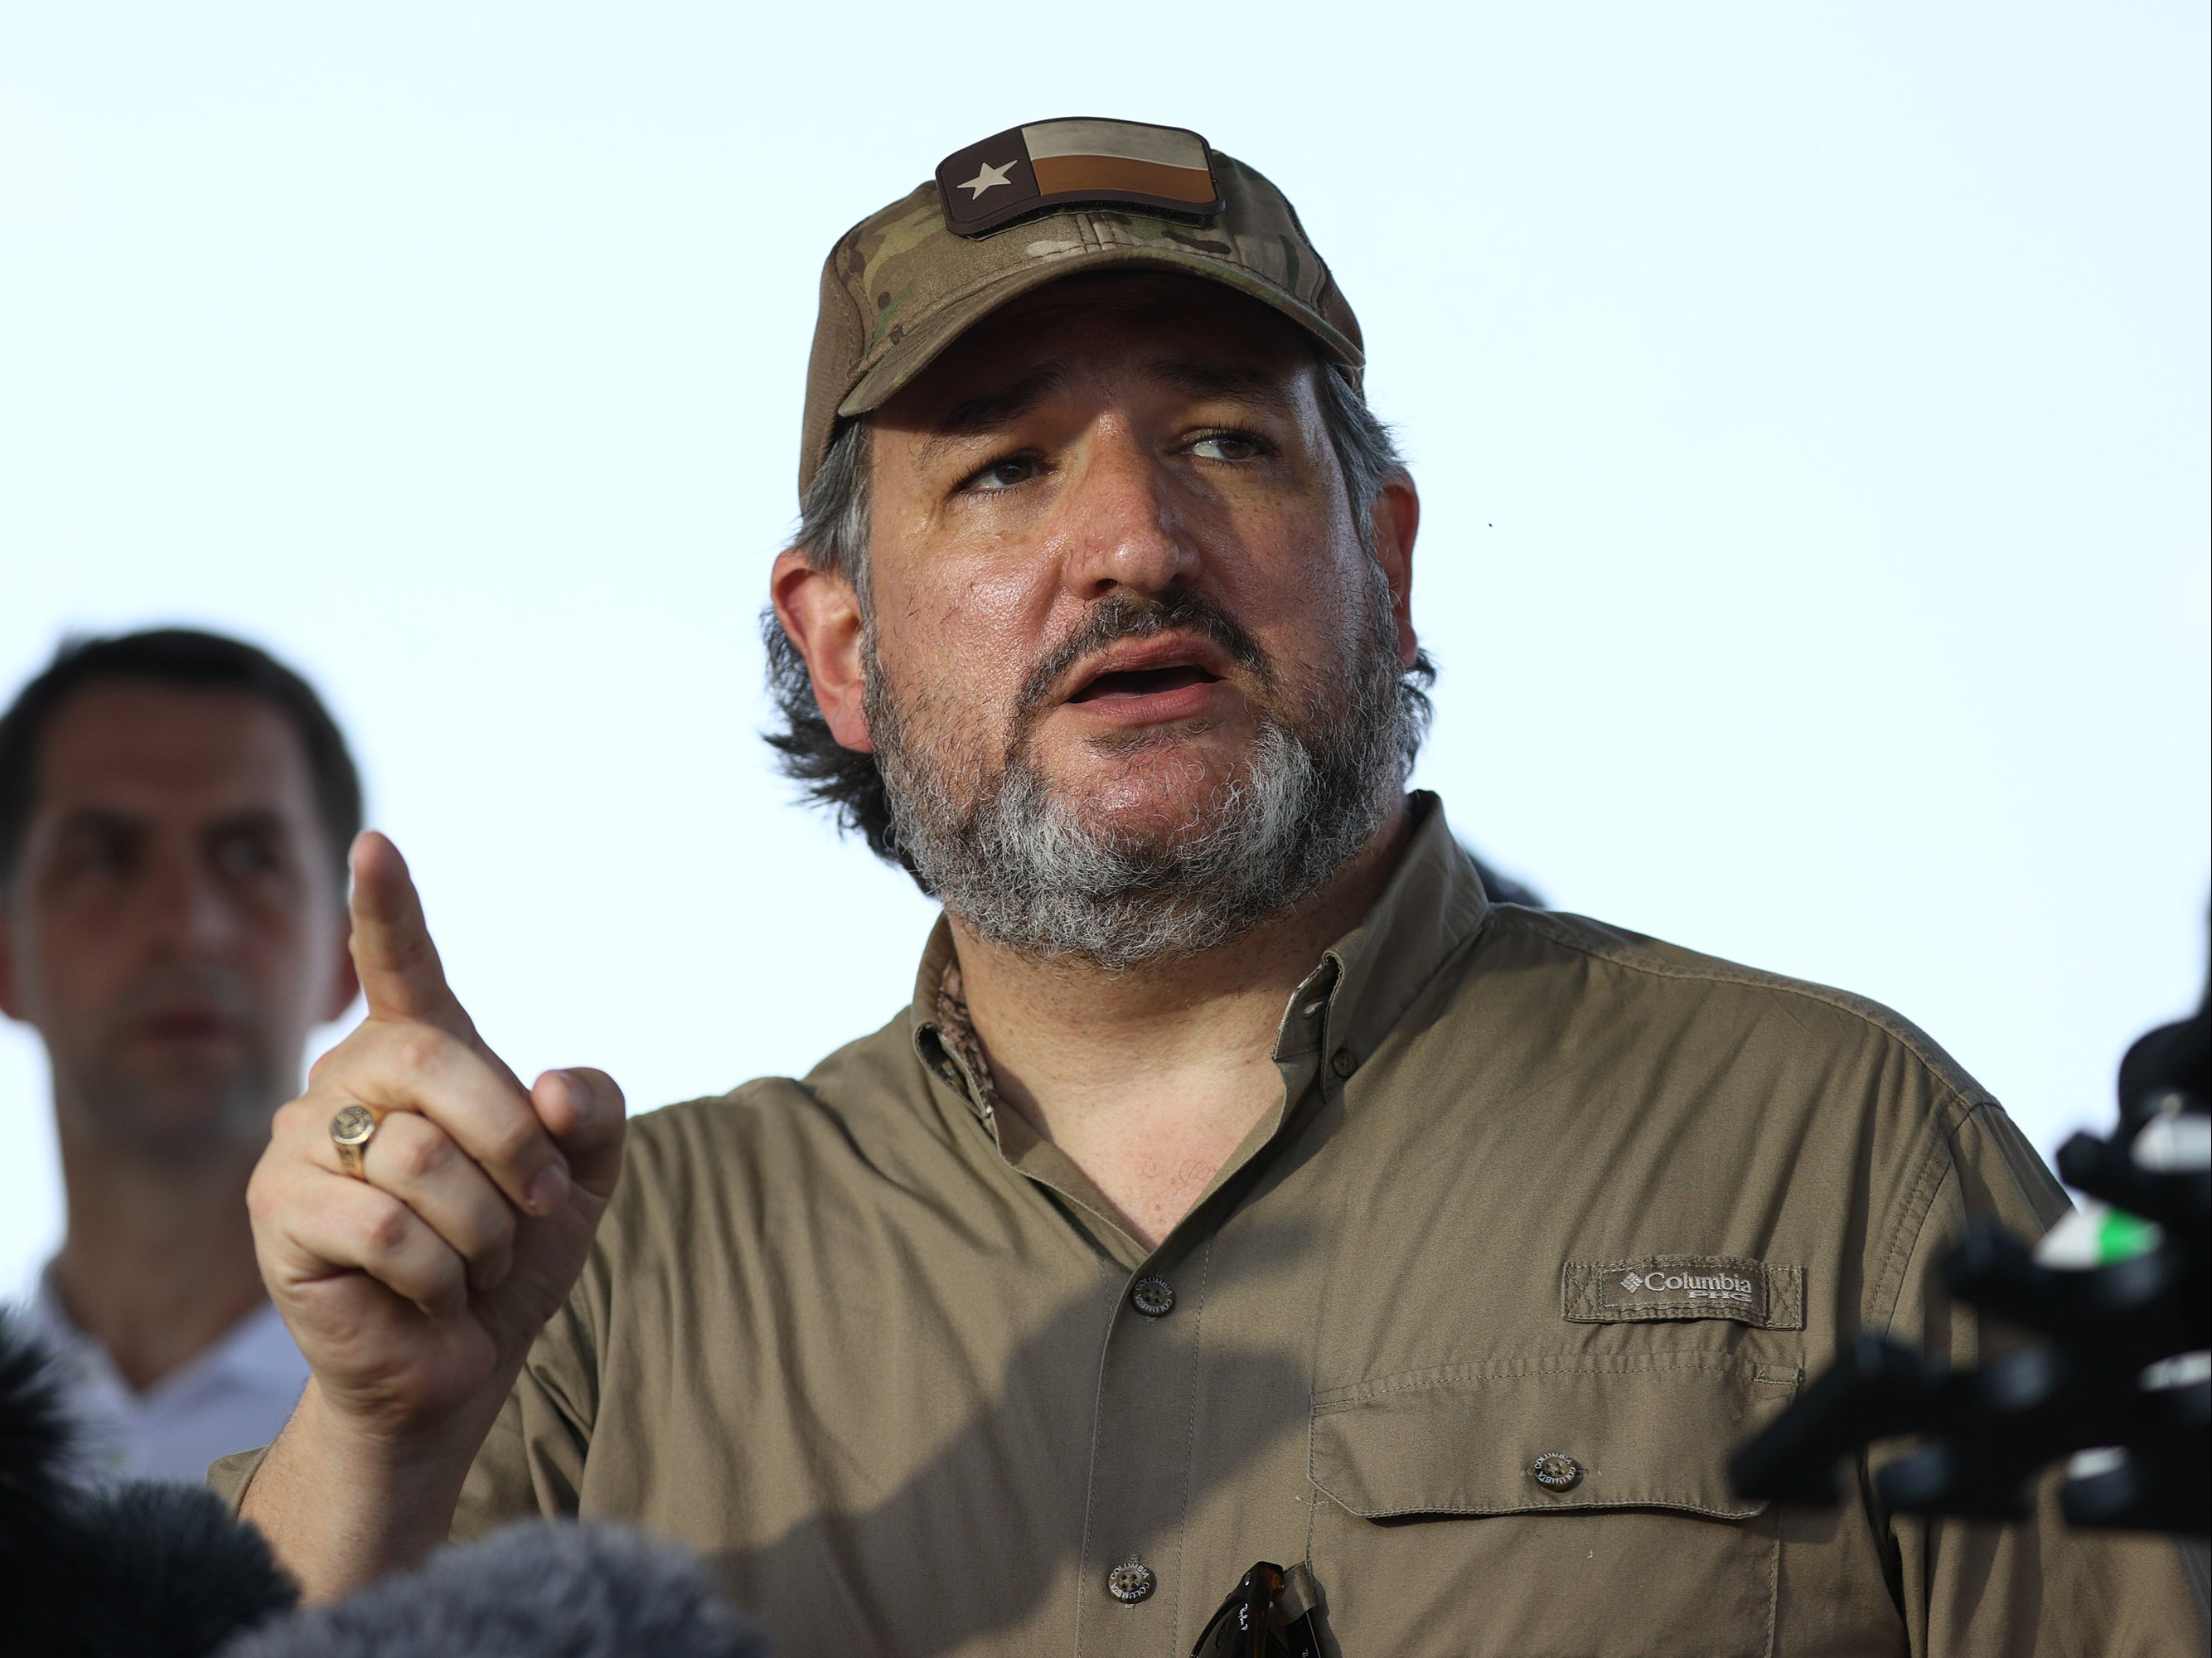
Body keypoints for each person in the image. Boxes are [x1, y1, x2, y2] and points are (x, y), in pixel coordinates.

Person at [219, 120, 2206, 1654]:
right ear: (838, 644)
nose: (1136, 542)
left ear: (1389, 555)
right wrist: (380, 1432)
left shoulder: (1835, 1151)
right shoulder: (612, 1277)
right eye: (1002, 467)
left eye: (1227, 443)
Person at [0, 629, 360, 1481]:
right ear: (6, 955)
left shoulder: (495, 1426)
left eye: (249, 855)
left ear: (345, 958)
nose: (187, 926)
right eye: (104, 856)